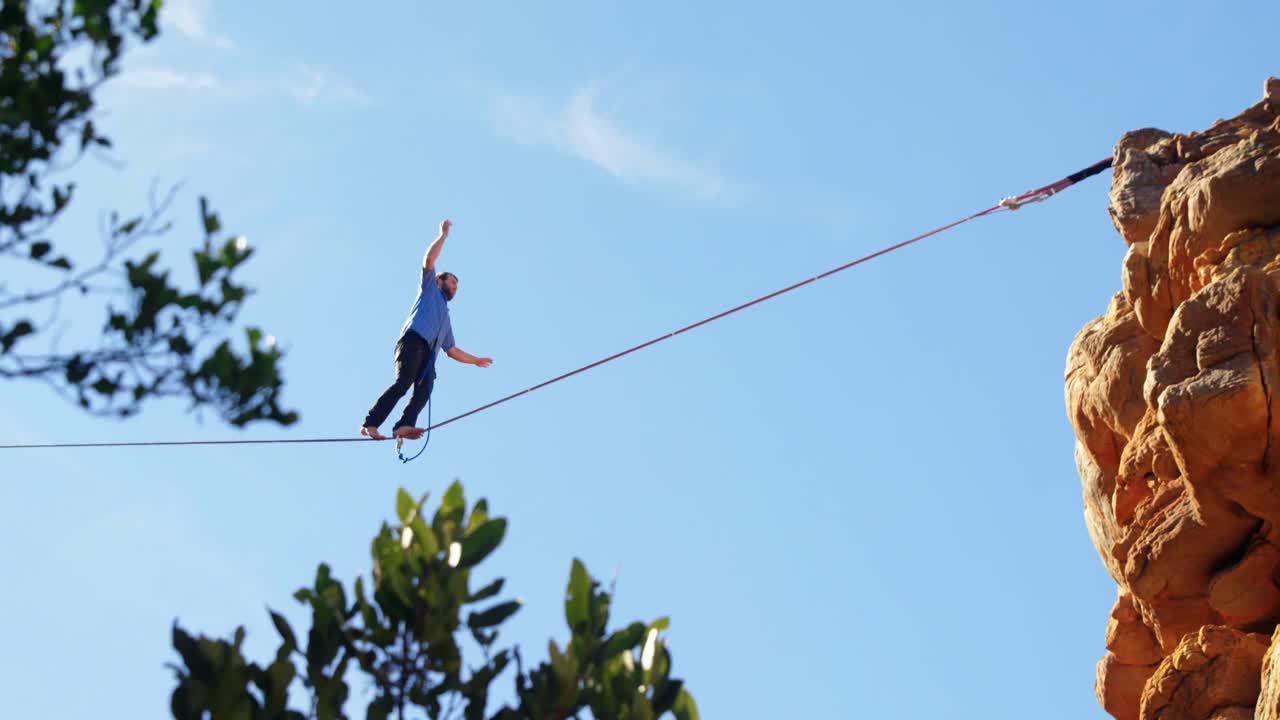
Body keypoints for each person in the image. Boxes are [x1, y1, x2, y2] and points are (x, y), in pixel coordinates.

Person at [360, 219, 492, 441]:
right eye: (452, 282)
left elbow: (452, 351)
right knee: (403, 383)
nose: (455, 287)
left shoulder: (445, 319)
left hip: (427, 357)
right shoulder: (430, 289)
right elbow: (429, 260)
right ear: (440, 281)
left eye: (457, 286)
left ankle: (404, 425)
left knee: (425, 389)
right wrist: (443, 236)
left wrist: (475, 360)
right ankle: (370, 423)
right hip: (412, 342)